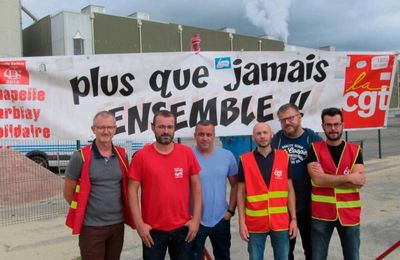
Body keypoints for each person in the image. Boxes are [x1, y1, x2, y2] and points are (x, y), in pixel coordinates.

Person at [128, 110, 202, 260]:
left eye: (170, 127)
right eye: (161, 127)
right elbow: (132, 190)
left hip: (183, 229)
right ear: (153, 127)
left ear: (174, 128)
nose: (166, 131)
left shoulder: (186, 153)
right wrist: (139, 224)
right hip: (152, 231)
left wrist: (196, 220)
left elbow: (197, 187)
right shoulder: (141, 156)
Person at [63, 111, 135, 260]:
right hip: (91, 227)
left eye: (110, 127)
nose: (106, 131)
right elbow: (68, 193)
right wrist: (87, 211)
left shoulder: (122, 155)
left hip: (117, 225)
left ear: (115, 129)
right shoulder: (80, 156)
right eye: (101, 127)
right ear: (93, 129)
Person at [307, 107, 366, 260]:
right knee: (318, 257)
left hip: (349, 213)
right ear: (323, 126)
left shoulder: (355, 150)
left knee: (352, 257)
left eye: (336, 124)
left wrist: (326, 178)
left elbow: (358, 182)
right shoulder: (314, 149)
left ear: (342, 125)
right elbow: (317, 180)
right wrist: (348, 178)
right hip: (321, 213)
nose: (333, 128)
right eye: (329, 125)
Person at [237, 122, 297, 260]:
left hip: (281, 222)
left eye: (265, 132)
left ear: (272, 135)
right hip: (255, 223)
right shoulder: (244, 160)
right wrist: (241, 222)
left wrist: (293, 219)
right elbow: (240, 193)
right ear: (253, 137)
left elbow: (290, 189)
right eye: (258, 133)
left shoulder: (284, 157)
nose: (262, 136)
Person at [271, 103, 322, 260]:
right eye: (283, 120)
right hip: (284, 206)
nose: (287, 122)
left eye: (291, 118)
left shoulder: (312, 138)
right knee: (285, 251)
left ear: (299, 117)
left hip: (309, 205)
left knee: (312, 250)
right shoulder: (277, 140)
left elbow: (325, 163)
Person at [191, 120, 239, 260]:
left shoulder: (227, 156)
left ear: (214, 136)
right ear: (195, 136)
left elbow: (235, 185)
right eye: (201, 134)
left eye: (208, 134)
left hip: (220, 219)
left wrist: (230, 211)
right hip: (195, 220)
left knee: (223, 256)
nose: (205, 138)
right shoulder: (187, 155)